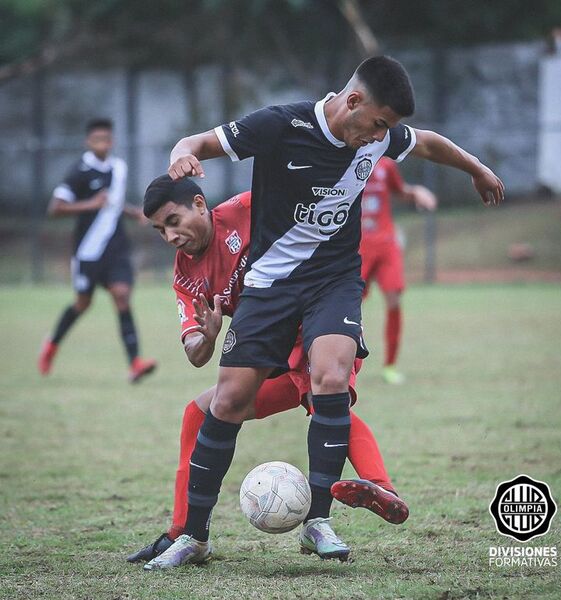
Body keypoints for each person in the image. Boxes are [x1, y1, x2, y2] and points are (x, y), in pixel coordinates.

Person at [148, 55, 503, 569]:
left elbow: (426, 142)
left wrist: (479, 169)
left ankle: (318, 520)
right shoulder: (280, 125)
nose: (381, 136)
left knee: (330, 377)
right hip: (269, 285)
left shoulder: (379, 136)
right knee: (226, 402)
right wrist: (180, 153)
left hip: (334, 280)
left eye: (388, 128)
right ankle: (195, 538)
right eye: (379, 123)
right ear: (353, 101)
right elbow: (198, 144)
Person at [126, 175, 408, 565]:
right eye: (160, 230)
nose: (170, 236)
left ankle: (370, 492)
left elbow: (316, 205)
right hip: (263, 355)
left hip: (314, 328)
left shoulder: (248, 208)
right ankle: (185, 533)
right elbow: (194, 352)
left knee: (320, 394)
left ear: (199, 204)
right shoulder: (185, 275)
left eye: (173, 221)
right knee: (200, 412)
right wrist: (207, 337)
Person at [37, 118, 156, 383]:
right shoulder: (79, 171)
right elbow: (55, 208)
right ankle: (51, 345)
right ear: (88, 142)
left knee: (122, 296)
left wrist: (133, 212)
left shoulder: (119, 168)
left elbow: (112, 203)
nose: (102, 143)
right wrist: (90, 204)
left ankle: (135, 363)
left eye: (106, 139)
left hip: (116, 247)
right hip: (88, 251)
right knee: (83, 303)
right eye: (97, 139)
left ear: (111, 141)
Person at [360, 156, 437, 385]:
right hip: (356, 246)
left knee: (394, 299)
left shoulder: (386, 165)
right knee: (349, 305)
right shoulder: (346, 159)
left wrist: (417, 192)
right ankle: (343, 362)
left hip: (385, 243)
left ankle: (390, 366)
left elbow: (400, 191)